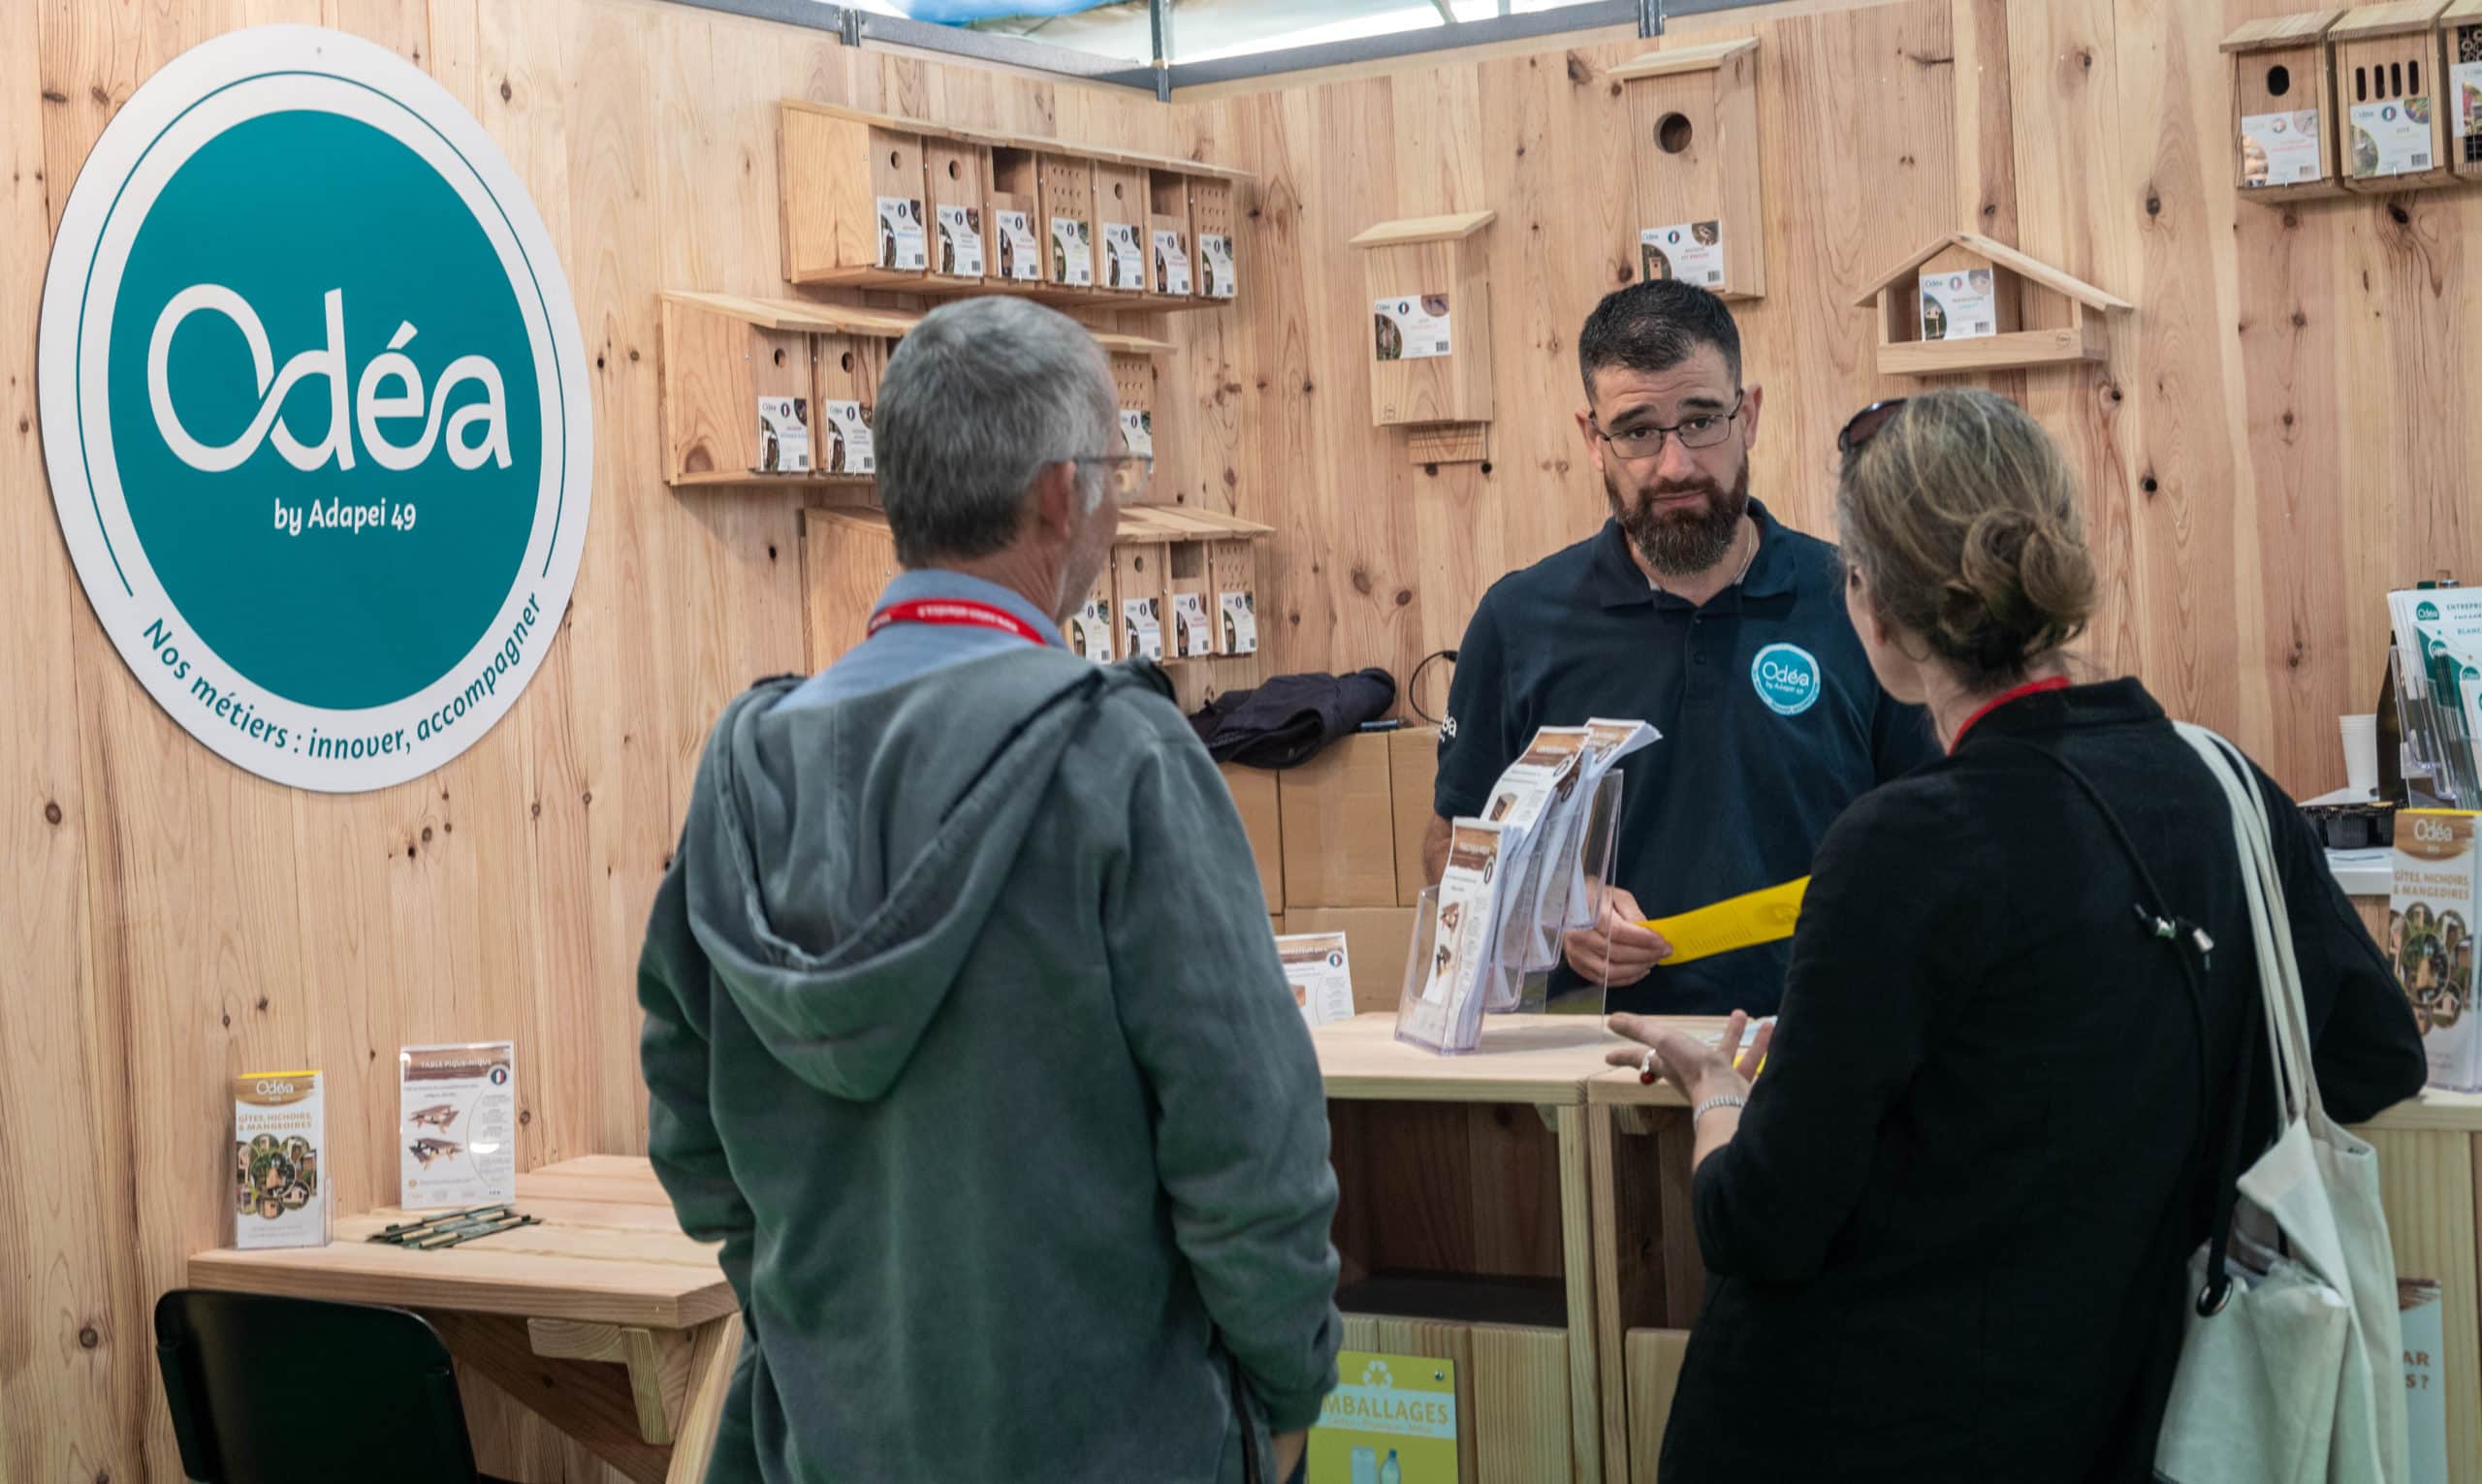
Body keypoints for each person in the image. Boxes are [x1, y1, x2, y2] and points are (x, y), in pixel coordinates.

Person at [1607, 390, 2426, 1482]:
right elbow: (2375, 1057)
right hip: (2130, 1417)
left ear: (1874, 610)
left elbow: (1758, 1222)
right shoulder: (2225, 790)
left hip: (1864, 1428)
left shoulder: (1901, 845)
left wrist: (1717, 1094)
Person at [637, 296, 1342, 1484]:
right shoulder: (1121, 756)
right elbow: (1249, 1149)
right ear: (1062, 495)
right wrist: (1285, 1395)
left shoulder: (745, 768)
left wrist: (809, 1329)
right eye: (1116, 472)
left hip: (831, 1439)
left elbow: (690, 1131)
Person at [1429, 279, 1936, 1016]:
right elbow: (1451, 847)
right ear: (1591, 439)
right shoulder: (1519, 621)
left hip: (1822, 1059)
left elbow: (1937, 836)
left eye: (1701, 421)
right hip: (1591, 1073)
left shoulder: (1858, 601)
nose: (1674, 466)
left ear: (1749, 413)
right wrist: (1552, 906)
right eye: (1637, 431)